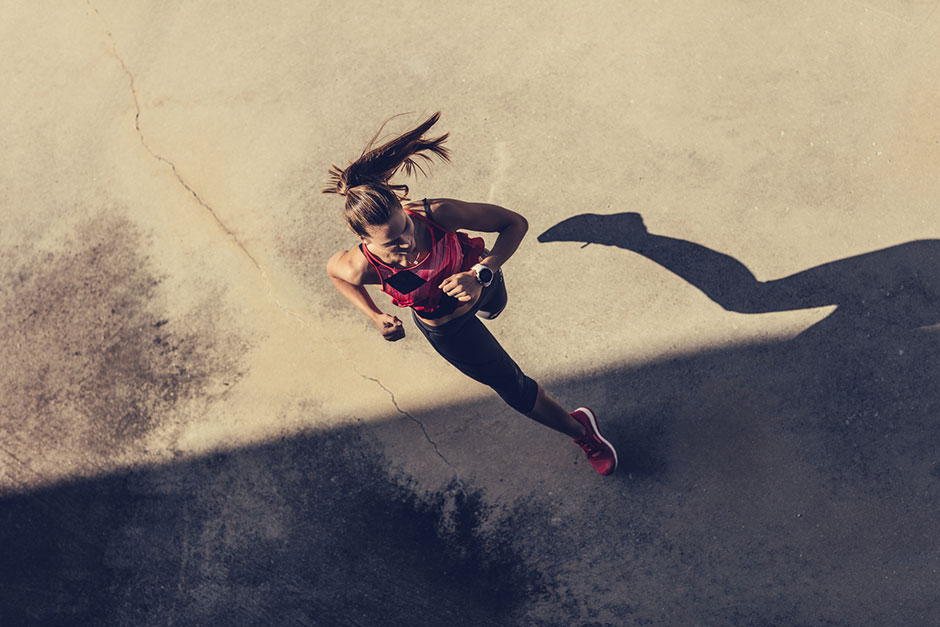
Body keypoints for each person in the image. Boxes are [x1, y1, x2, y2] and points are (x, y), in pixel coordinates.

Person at [324, 112, 618, 476]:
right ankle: (580, 430)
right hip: (449, 329)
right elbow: (337, 275)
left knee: (497, 306)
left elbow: (515, 223)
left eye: (405, 225)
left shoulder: (438, 215)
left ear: (403, 208)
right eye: (392, 240)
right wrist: (376, 316)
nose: (407, 239)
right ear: (365, 240)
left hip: (483, 284)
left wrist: (482, 273)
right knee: (511, 387)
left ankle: (488, 301)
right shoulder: (361, 265)